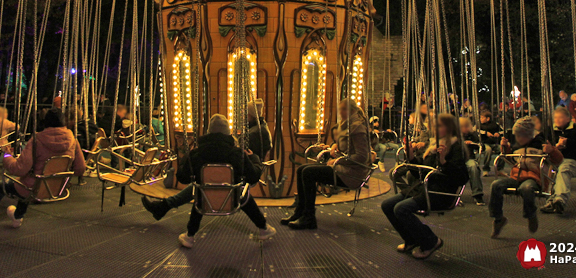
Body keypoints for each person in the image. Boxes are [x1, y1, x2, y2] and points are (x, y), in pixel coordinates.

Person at [0, 108, 86, 234]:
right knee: (28, 178)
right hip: (57, 187)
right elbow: (80, 168)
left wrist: (7, 156)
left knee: (1, 187)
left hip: (34, 186)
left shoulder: (37, 140)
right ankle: (17, 216)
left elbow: (19, 169)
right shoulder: (73, 141)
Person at [174, 114, 275, 248]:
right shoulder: (236, 154)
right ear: (228, 133)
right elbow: (253, 176)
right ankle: (263, 228)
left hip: (204, 201)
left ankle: (190, 236)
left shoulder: (196, 154)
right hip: (232, 200)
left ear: (209, 132)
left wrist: (185, 160)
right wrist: (254, 158)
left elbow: (182, 177)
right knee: (243, 193)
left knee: (200, 190)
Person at [381, 113, 468, 260]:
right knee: (387, 205)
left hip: (441, 192)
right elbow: (420, 172)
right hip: (424, 188)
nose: (434, 128)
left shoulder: (456, 147)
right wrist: (411, 157)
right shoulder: (433, 146)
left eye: (439, 126)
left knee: (401, 209)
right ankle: (411, 239)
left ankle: (430, 241)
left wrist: (444, 162)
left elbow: (461, 178)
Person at [283, 99, 370, 230]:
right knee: (302, 169)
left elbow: (362, 156)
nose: (341, 112)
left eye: (344, 109)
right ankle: (300, 212)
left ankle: (309, 217)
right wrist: (333, 148)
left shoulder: (357, 128)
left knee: (308, 173)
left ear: (352, 111)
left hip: (351, 173)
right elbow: (347, 150)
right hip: (343, 168)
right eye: (340, 109)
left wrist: (338, 160)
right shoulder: (347, 126)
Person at [489, 116, 563, 238]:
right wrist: (505, 148)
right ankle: (498, 218)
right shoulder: (517, 146)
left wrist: (551, 151)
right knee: (496, 185)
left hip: (533, 177)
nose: (517, 138)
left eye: (520, 135)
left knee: (526, 188)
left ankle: (530, 215)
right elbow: (510, 159)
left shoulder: (541, 145)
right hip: (516, 176)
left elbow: (558, 160)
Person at [541, 106, 576, 214]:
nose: (557, 120)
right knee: (550, 172)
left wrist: (568, 142)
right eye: (555, 118)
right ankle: (552, 200)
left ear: (567, 119)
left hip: (569, 159)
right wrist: (552, 148)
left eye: (560, 118)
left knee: (563, 169)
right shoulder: (551, 131)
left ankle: (560, 199)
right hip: (555, 160)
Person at [459, 117, 485, 205]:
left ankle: (477, 195)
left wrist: (473, 143)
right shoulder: (454, 136)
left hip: (468, 158)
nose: (466, 128)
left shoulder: (472, 135)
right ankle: (453, 195)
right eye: (464, 127)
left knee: (473, 167)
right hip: (456, 159)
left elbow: (481, 146)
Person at [477, 111, 500, 175]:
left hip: (494, 143)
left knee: (502, 149)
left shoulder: (495, 124)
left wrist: (498, 133)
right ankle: (486, 169)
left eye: (482, 118)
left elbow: (502, 131)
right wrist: (485, 133)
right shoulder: (479, 125)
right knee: (488, 150)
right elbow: (474, 130)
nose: (480, 119)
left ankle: (499, 168)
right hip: (484, 143)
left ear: (488, 118)